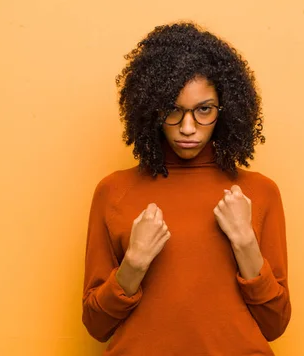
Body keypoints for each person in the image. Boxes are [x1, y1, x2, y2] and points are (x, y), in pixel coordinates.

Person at [82, 22, 291, 355]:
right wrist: (134, 264)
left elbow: (275, 324)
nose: (188, 127)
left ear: (226, 109)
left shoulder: (260, 193)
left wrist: (245, 242)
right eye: (173, 110)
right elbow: (96, 326)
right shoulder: (113, 192)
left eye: (204, 110)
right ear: (150, 109)